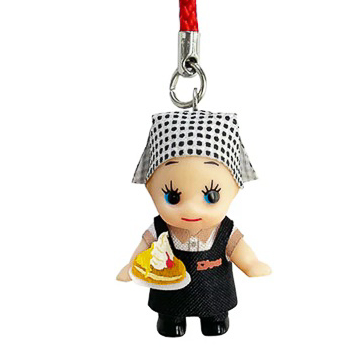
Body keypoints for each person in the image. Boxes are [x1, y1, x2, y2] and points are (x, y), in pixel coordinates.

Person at [117, 110, 272, 337]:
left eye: (211, 196)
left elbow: (238, 249)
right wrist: (131, 267)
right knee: (170, 311)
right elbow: (144, 250)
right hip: (169, 295)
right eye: (172, 197)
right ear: (150, 187)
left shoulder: (224, 230)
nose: (191, 209)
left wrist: (250, 263)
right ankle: (170, 319)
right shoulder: (160, 229)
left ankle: (215, 318)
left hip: (214, 293)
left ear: (235, 189)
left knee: (215, 313)